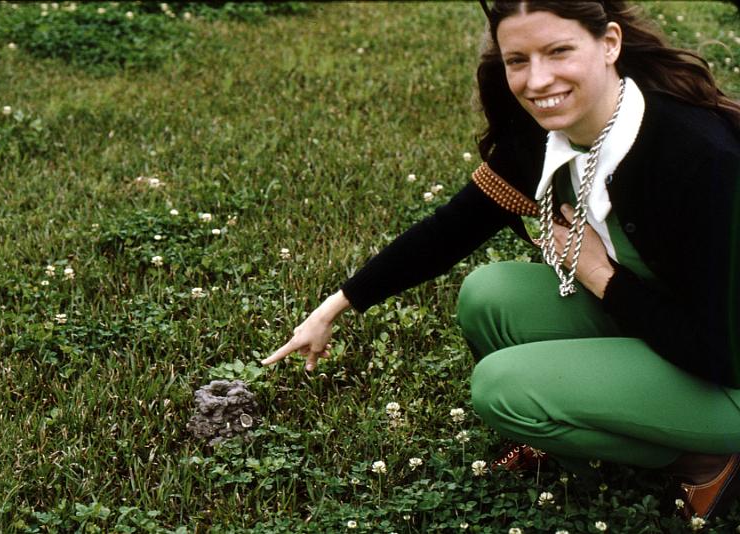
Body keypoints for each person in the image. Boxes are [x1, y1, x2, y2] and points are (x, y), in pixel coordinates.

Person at [262, 0, 740, 521]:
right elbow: (451, 229)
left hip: (726, 370)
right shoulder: (550, 133)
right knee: (489, 296)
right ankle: (574, 442)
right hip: (668, 318)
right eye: (519, 60)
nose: (538, 80)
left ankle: (707, 460)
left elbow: (722, 351)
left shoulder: (700, 158)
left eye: (559, 51)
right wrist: (336, 305)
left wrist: (603, 278)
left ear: (609, 44)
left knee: (502, 388)